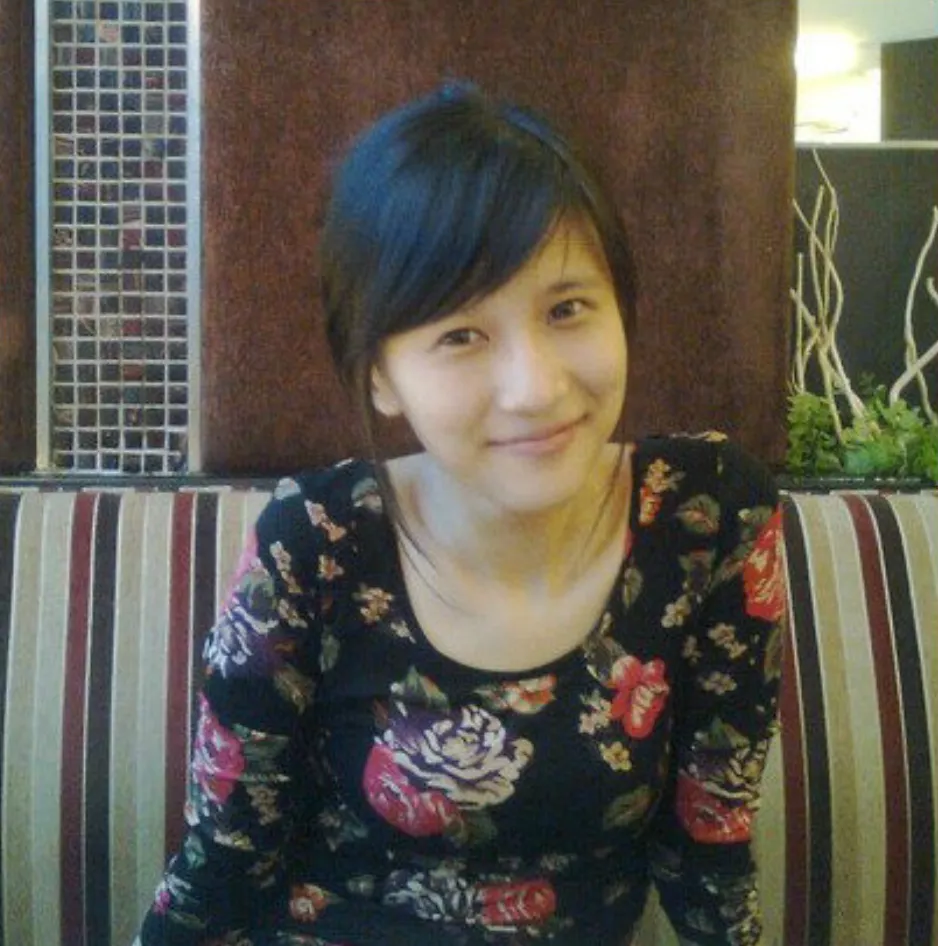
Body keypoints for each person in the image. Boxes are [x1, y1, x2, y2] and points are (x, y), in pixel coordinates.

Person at [137, 84, 785, 946]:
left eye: (566, 309)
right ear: (380, 375)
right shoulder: (315, 542)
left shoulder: (707, 517)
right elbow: (224, 865)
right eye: (460, 336)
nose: (536, 389)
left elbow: (711, 847)